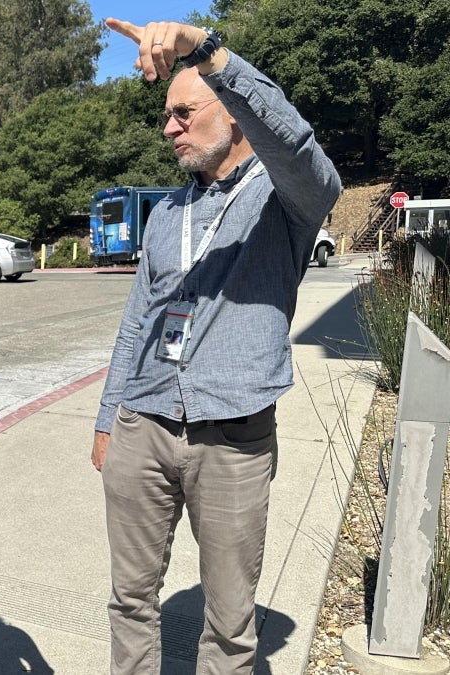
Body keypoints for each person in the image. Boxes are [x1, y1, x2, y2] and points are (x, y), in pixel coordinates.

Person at [91, 19, 341, 675]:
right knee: (131, 601)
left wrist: (208, 52)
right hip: (142, 423)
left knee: (229, 627)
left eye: (183, 112)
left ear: (231, 113)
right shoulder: (167, 213)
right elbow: (140, 317)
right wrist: (108, 414)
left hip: (232, 434)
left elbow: (299, 146)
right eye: (165, 116)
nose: (168, 128)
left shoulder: (284, 197)